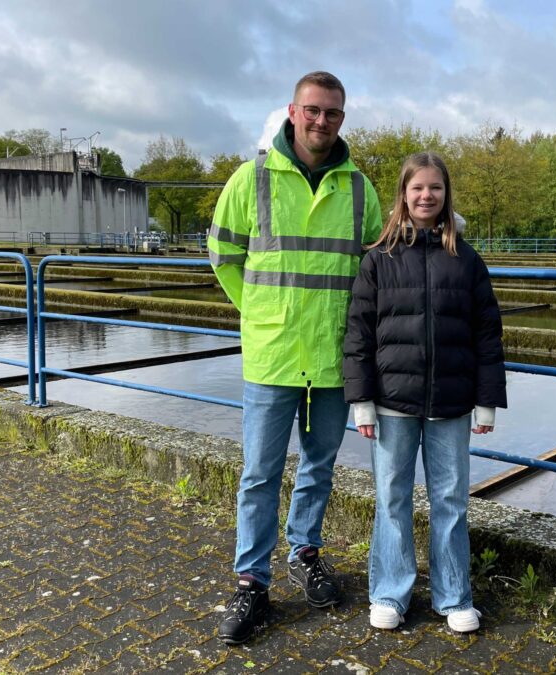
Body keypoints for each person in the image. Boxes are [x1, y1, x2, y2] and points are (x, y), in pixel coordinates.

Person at [208, 71, 383, 645]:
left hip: (333, 359)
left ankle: (305, 551)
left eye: (332, 113)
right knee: (259, 475)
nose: (321, 121)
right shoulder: (251, 177)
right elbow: (222, 254)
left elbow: (377, 271)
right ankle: (251, 583)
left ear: (342, 117)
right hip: (272, 356)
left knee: (318, 467)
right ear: (292, 110)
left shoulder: (360, 189)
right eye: (312, 110)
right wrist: (258, 313)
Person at [343, 151, 508, 633]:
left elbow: (486, 333)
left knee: (451, 500)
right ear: (403, 193)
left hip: (453, 404)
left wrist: (486, 400)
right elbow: (359, 335)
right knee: (391, 498)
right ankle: (390, 594)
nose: (426, 196)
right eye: (417, 188)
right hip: (392, 404)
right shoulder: (378, 258)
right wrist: (362, 400)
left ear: (445, 194)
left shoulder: (467, 259)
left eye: (434, 188)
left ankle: (454, 596)